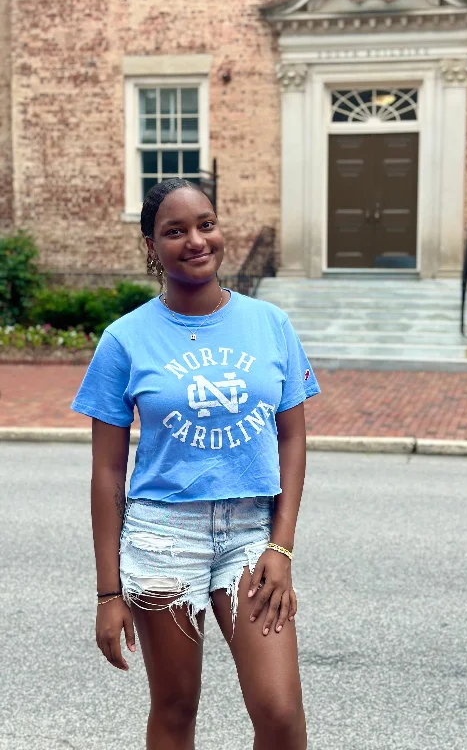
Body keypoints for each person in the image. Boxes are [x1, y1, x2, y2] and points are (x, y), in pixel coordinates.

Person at [71, 177, 320, 750]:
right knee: (177, 709)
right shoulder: (124, 339)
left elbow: (292, 441)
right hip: (161, 539)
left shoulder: (270, 324)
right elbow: (107, 473)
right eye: (174, 231)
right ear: (151, 246)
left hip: (249, 537)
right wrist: (108, 595)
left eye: (205, 224)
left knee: (280, 715)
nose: (195, 240)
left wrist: (280, 548)